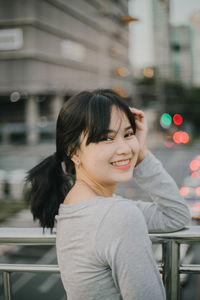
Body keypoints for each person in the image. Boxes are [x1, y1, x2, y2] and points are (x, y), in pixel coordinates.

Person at [27, 89, 190, 300]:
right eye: (106, 138)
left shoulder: (76, 206)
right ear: (74, 151)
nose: (124, 148)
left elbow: (175, 216)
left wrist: (141, 154)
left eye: (128, 134)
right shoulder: (115, 216)